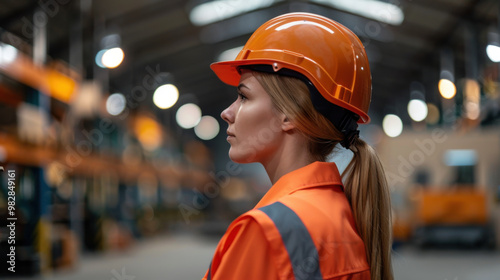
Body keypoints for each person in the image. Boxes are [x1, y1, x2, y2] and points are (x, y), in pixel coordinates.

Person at [203, 12, 393, 280]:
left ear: (291, 115)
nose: (227, 112)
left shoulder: (264, 232)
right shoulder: (342, 219)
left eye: (243, 96)